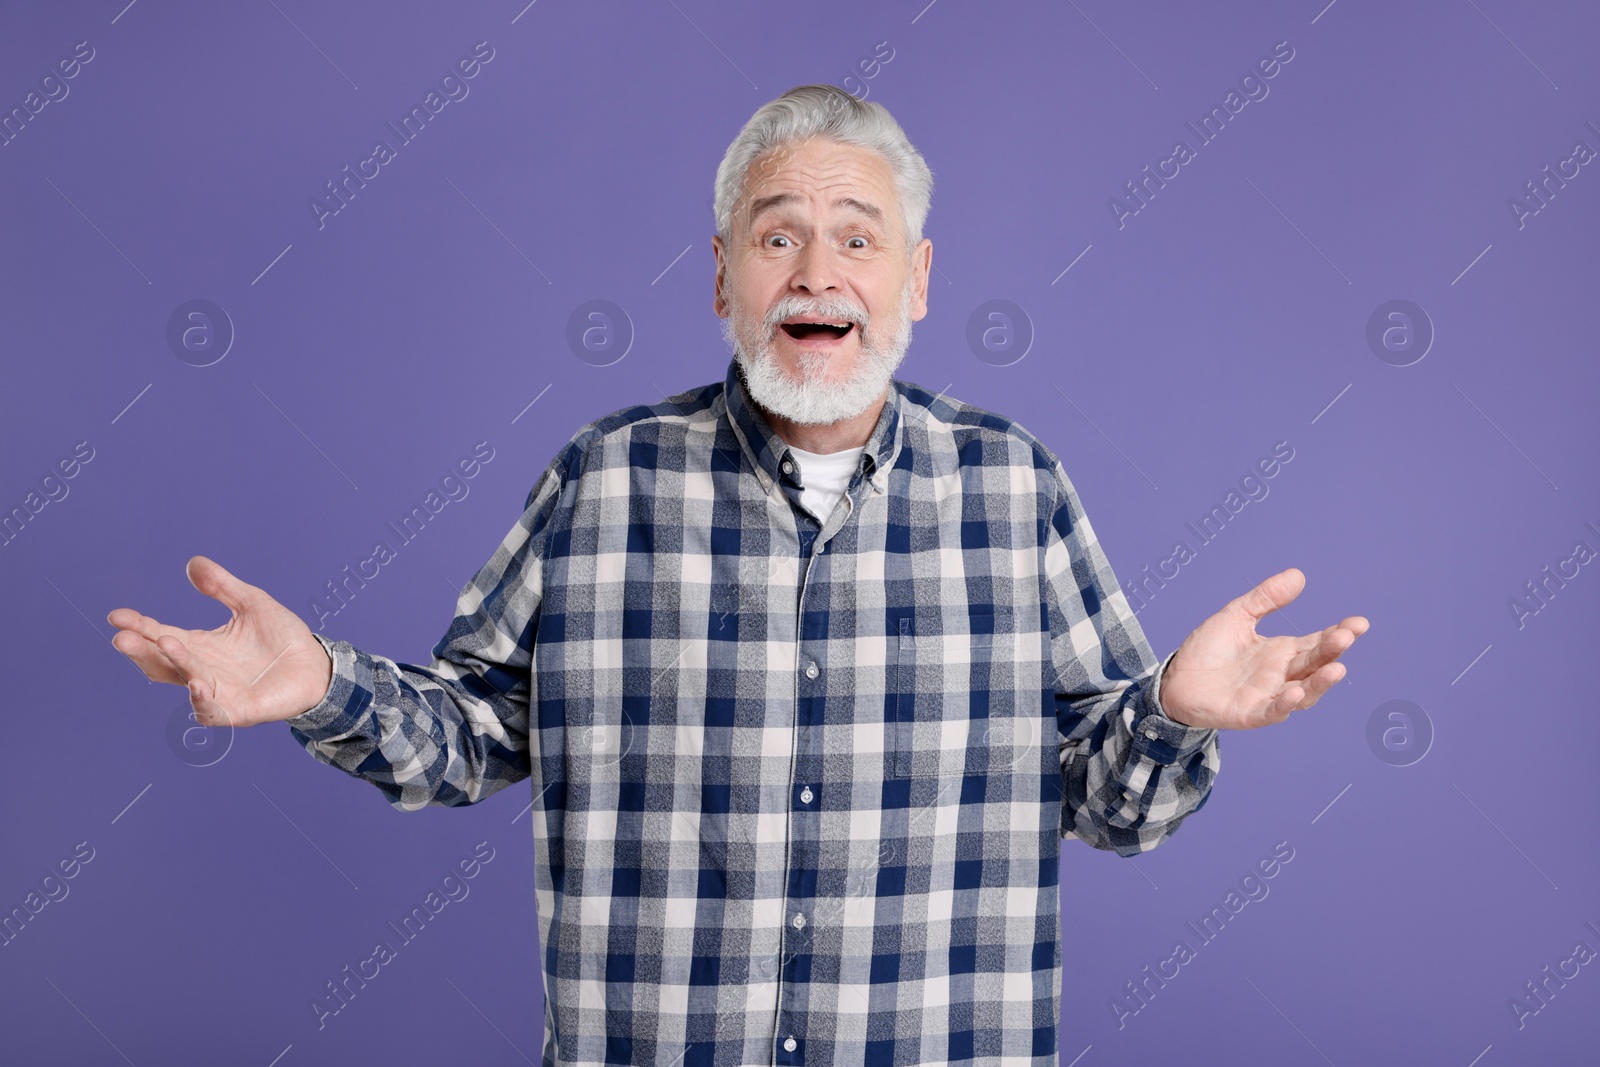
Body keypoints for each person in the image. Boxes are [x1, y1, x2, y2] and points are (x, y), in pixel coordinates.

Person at [108, 84, 1367, 1067]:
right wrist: (321, 681)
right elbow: (472, 735)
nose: (818, 272)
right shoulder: (602, 480)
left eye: (856, 238)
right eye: (779, 236)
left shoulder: (1014, 487)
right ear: (722, 275)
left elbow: (1111, 803)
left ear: (914, 281)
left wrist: (1172, 714)